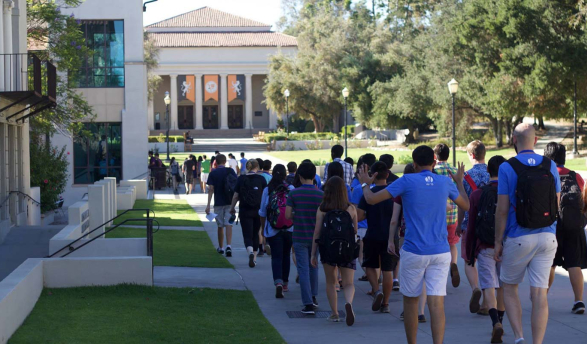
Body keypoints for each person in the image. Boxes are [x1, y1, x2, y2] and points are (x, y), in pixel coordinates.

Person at [358, 145, 469, 344]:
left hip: (414, 251)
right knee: (437, 304)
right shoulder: (444, 182)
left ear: (414, 163)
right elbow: (466, 206)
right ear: (434, 163)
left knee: (410, 302)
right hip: (441, 252)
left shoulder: (406, 181)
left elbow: (371, 199)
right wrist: (459, 183)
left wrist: (366, 184)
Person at [494, 123, 560, 344]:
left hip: (519, 236)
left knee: (509, 287)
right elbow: (556, 203)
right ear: (535, 140)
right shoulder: (550, 165)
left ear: (514, 139)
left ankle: (519, 337)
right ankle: (537, 342)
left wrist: (497, 242)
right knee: (540, 294)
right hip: (548, 236)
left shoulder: (506, 167)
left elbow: (502, 209)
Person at [465, 155, 507, 343]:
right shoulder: (511, 192)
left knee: (489, 285)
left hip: (484, 246)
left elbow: (472, 225)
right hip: (508, 246)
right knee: (504, 286)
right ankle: (502, 321)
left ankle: (494, 322)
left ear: (488, 172)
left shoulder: (477, 194)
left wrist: (469, 252)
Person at [544, 142, 586, 314]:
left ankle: (542, 298)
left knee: (549, 265)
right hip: (573, 226)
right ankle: (578, 301)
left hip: (552, 227)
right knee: (573, 264)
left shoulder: (545, 176)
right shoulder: (576, 177)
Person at [311, 176, 358, 325]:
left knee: (331, 282)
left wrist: (313, 253)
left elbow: (317, 233)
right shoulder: (351, 208)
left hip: (328, 249)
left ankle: (335, 313)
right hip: (347, 249)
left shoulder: (323, 208)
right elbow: (355, 230)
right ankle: (348, 303)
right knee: (349, 283)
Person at [357, 161, 398, 314]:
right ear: (387, 174)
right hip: (390, 237)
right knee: (388, 270)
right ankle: (386, 303)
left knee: (369, 265)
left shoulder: (368, 194)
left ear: (372, 176)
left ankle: (376, 289)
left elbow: (360, 215)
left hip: (372, 234)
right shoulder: (394, 193)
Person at [456, 140, 491, 314]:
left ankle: (475, 287)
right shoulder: (492, 173)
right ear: (484, 154)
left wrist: (458, 224)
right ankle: (486, 302)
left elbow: (462, 203)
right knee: (488, 263)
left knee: (469, 260)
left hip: (470, 223)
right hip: (490, 225)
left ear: (471, 155)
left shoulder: (465, 176)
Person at [285, 162, 323, 315]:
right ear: (314, 176)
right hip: (316, 237)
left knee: (303, 269)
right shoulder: (321, 195)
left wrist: (298, 215)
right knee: (314, 265)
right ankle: (313, 297)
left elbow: (288, 215)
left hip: (300, 235)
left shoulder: (294, 194)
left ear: (299, 176)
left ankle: (307, 303)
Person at [394, 163, 429, 322]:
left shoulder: (402, 192)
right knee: (424, 276)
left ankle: (408, 309)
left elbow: (394, 220)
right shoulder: (428, 189)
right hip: (429, 236)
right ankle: (420, 311)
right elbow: (448, 206)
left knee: (408, 274)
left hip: (407, 235)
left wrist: (390, 239)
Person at [259, 164, 294, 297]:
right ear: (285, 176)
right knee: (286, 256)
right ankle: (285, 284)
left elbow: (262, 213)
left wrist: (263, 229)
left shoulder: (268, 190)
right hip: (289, 228)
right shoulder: (291, 189)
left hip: (273, 229)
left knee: (276, 257)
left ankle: (278, 282)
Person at [433, 143, 461, 288]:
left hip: (438, 215)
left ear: (435, 156)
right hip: (453, 215)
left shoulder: (434, 172)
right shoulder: (454, 171)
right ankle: (454, 264)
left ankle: (441, 271)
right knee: (452, 243)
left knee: (439, 244)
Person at [231, 159, 267, 267]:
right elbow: (266, 196)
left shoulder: (241, 179)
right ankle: (254, 258)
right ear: (258, 167)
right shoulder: (261, 179)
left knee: (247, 234)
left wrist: (232, 208)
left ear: (247, 167)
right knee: (256, 233)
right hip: (258, 210)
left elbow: (236, 196)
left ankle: (250, 252)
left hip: (244, 210)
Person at [350, 154, 376, 282]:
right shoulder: (379, 187)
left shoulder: (357, 188)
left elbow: (355, 211)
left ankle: (374, 281)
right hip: (375, 226)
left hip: (361, 226)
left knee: (361, 257)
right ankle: (375, 279)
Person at [205, 154, 237, 257]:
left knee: (220, 226)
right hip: (229, 201)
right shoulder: (230, 171)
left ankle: (221, 247)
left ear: (216, 162)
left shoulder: (213, 173)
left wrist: (208, 205)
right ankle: (229, 245)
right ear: (225, 161)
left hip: (218, 202)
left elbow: (211, 190)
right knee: (229, 224)